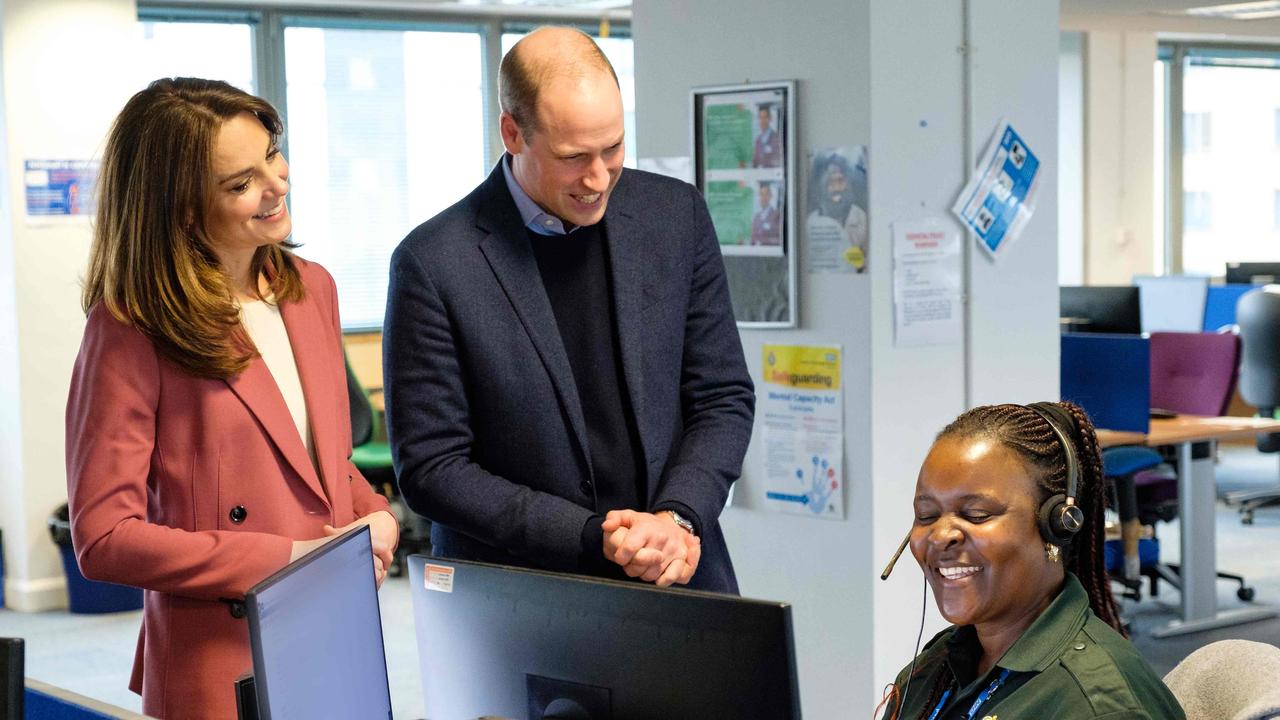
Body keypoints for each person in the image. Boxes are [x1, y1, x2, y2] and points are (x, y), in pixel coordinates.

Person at [66, 78, 398, 720]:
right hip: (218, 658)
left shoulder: (312, 287)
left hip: (332, 630)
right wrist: (288, 560)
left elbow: (318, 463)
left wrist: (376, 515)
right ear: (185, 210)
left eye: (273, 156)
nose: (278, 185)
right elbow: (105, 538)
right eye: (242, 183)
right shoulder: (131, 324)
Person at [384, 27, 754, 593]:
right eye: (573, 156)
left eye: (613, 148)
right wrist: (589, 535)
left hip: (678, 573)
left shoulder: (674, 215)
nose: (599, 178)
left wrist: (678, 518)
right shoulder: (433, 263)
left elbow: (721, 396)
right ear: (513, 132)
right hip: (517, 596)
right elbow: (433, 469)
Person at [881, 402, 1185, 720]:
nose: (940, 535)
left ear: (1055, 526)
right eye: (926, 515)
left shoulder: (1097, 707)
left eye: (976, 514)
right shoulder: (937, 669)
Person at [807, 151, 868, 272]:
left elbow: (867, 264)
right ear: (822, 186)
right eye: (831, 182)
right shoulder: (811, 222)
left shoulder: (860, 217)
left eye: (840, 181)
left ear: (847, 183)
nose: (836, 188)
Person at [751, 182, 781, 246]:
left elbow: (779, 239)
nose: (763, 198)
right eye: (761, 194)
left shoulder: (777, 215)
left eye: (766, 194)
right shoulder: (756, 217)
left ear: (770, 196)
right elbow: (753, 239)